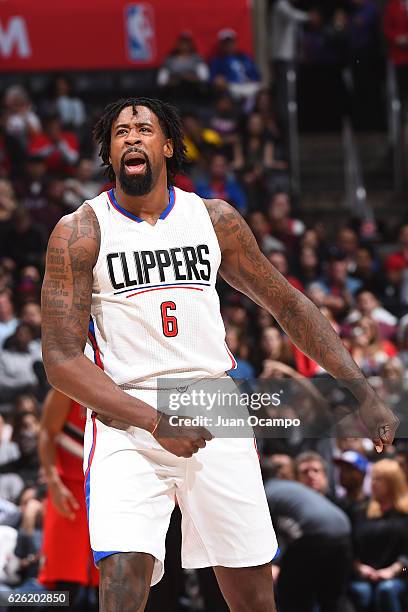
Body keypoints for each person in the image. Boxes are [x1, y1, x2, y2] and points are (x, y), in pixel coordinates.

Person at [41, 96, 398, 612]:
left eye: (144, 129)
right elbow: (60, 359)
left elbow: (289, 304)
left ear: (167, 146)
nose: (132, 137)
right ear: (109, 152)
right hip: (128, 412)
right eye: (120, 132)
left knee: (252, 592)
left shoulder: (213, 219)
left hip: (214, 403)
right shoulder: (80, 230)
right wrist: (154, 418)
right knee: (123, 576)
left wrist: (360, 388)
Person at [38, 389, 98, 609]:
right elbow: (46, 431)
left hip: (107, 490)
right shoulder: (67, 386)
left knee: (112, 581)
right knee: (62, 591)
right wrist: (53, 483)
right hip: (69, 491)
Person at [349, 459, 408, 612]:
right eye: (372, 478)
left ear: (392, 482)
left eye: (379, 479)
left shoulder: (404, 514)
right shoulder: (362, 511)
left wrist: (393, 570)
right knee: (360, 591)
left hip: (401, 575)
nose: (373, 483)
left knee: (386, 590)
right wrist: (360, 567)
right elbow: (351, 548)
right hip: (365, 575)